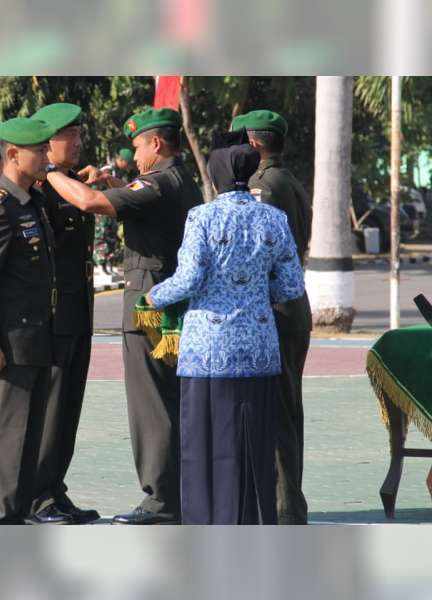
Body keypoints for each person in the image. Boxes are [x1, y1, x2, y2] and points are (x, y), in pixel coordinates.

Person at [44, 107, 203, 525]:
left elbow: (90, 201)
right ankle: (177, 495)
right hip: (170, 304)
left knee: (152, 406)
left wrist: (48, 171)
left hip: (150, 308)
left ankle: (161, 500)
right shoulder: (177, 179)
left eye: (137, 147)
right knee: (169, 401)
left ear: (156, 143)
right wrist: (116, 183)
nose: (133, 157)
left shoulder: (158, 182)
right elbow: (132, 197)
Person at [145, 143, 305, 524]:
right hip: (259, 350)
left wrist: (155, 296)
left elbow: (189, 278)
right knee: (255, 445)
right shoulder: (273, 218)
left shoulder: (201, 216)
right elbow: (291, 287)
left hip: (208, 353)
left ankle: (208, 522)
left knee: (206, 445)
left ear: (215, 176)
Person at [0, 116, 56, 524]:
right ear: (14, 155)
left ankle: (16, 515)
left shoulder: (31, 201)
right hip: (8, 340)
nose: (45, 156)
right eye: (39, 150)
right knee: (6, 435)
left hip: (34, 337)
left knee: (27, 437)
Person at [232, 109, 313, 525]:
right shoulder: (289, 180)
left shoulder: (263, 186)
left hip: (275, 311)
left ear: (254, 143)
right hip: (292, 308)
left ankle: (284, 510)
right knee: (286, 411)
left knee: (278, 415)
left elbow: (258, 254)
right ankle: (287, 505)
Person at [27, 102, 99, 525]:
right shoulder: (41, 189)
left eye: (77, 135)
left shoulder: (70, 182)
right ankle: (37, 496)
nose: (77, 142)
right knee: (52, 408)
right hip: (54, 317)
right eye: (69, 136)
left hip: (78, 313)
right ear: (48, 143)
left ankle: (55, 488)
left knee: (69, 408)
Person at [93, 148, 132, 274]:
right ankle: (100, 264)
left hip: (112, 209)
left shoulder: (120, 173)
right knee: (102, 235)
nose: (129, 166)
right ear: (120, 160)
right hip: (101, 210)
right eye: (128, 163)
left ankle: (108, 263)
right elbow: (95, 188)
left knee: (111, 236)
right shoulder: (107, 171)